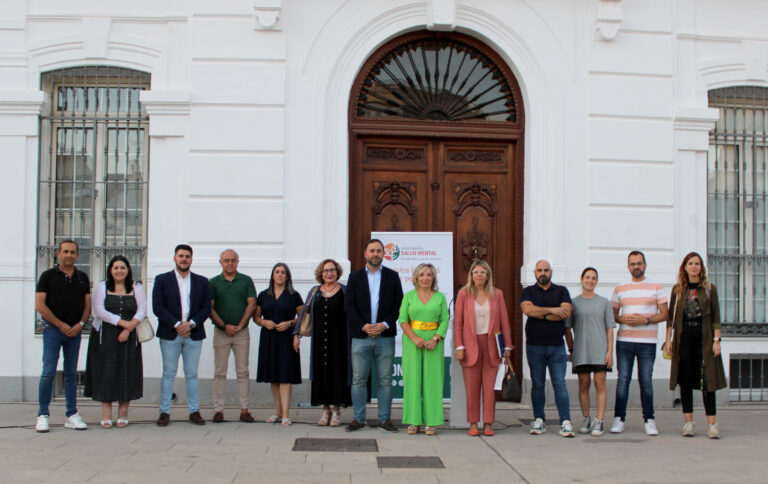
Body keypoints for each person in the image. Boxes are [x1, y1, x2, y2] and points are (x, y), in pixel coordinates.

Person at [344, 239, 404, 433]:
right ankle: (358, 418)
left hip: (385, 337)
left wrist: (384, 325)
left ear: (383, 254)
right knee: (359, 380)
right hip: (360, 337)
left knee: (385, 380)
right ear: (365, 254)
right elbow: (349, 306)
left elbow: (398, 305)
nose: (375, 254)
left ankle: (385, 420)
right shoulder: (354, 278)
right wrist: (364, 326)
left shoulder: (392, 277)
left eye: (379, 251)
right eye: (372, 251)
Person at [665, 252, 726, 439]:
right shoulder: (678, 289)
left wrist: (717, 341)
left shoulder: (709, 289)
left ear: (701, 267)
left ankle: (712, 425)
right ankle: (688, 423)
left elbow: (716, 317)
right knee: (685, 381)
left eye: (697, 263)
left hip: (705, 338)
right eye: (690, 263)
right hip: (684, 339)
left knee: (708, 381)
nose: (694, 266)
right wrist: (669, 341)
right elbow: (671, 318)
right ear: (684, 267)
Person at [609, 250, 669, 436]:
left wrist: (647, 320)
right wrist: (624, 319)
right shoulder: (620, 288)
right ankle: (619, 419)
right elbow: (612, 316)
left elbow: (665, 314)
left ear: (645, 265)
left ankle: (649, 420)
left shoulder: (656, 286)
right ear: (628, 267)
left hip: (647, 341)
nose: (636, 266)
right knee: (623, 380)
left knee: (646, 382)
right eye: (633, 264)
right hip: (624, 341)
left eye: (639, 263)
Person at [35, 240, 91, 432]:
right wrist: (60, 324)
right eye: (65, 251)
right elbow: (40, 305)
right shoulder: (47, 276)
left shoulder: (82, 277)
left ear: (77, 255)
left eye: (73, 252)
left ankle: (72, 414)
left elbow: (87, 306)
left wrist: (80, 325)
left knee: (71, 373)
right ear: (58, 253)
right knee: (48, 372)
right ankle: (42, 414)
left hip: (74, 333)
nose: (69, 255)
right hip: (52, 330)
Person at [84, 256, 147, 428]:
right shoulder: (102, 287)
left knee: (127, 370)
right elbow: (99, 310)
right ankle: (106, 413)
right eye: (116, 267)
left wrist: (128, 329)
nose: (119, 271)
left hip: (129, 335)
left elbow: (142, 310)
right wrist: (121, 322)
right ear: (110, 270)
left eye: (123, 267)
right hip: (106, 336)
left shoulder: (136, 287)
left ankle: (123, 412)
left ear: (128, 270)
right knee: (106, 372)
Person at [153, 244, 211, 426]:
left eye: (187, 256)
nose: (184, 259)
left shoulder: (202, 281)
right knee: (168, 373)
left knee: (192, 374)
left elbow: (206, 308)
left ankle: (194, 411)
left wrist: (191, 324)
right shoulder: (162, 279)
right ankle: (164, 412)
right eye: (181, 256)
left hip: (194, 334)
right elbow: (158, 307)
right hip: (170, 333)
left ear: (191, 259)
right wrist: (177, 324)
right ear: (175, 258)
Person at [454, 260, 514, 437]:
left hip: (492, 346)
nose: (479, 275)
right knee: (472, 388)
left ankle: (488, 423)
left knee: (489, 388)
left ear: (488, 275)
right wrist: (459, 345)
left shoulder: (497, 294)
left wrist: (508, 346)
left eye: (482, 272)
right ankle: (473, 423)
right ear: (471, 275)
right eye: (476, 272)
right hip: (470, 345)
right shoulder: (464, 294)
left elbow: (504, 321)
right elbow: (458, 323)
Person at [293, 259, 352, 427]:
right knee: (322, 374)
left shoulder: (344, 291)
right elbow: (304, 312)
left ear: (338, 272)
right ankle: (325, 410)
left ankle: (336, 410)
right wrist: (296, 334)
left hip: (339, 341)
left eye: (332, 270)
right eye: (326, 270)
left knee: (337, 374)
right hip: (319, 341)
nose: (329, 273)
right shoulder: (315, 291)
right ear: (321, 273)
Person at [520, 259, 574, 437]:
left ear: (551, 272)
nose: (543, 273)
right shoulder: (527, 291)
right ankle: (539, 420)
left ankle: (565, 421)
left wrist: (540, 313)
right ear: (534, 273)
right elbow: (528, 311)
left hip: (557, 346)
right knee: (538, 384)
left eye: (546, 270)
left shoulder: (562, 291)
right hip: (535, 345)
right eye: (539, 270)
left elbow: (565, 312)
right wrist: (552, 311)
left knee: (560, 384)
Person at [398, 263, 450, 436]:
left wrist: (435, 338)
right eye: (421, 275)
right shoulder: (409, 297)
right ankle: (413, 420)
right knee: (413, 380)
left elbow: (444, 319)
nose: (425, 278)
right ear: (416, 278)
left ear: (433, 278)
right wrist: (415, 338)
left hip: (434, 343)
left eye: (429, 275)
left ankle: (431, 422)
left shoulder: (440, 297)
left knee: (432, 381)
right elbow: (403, 319)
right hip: (413, 342)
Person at [564, 267, 615, 437]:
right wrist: (571, 347)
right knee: (583, 384)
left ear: (597, 281)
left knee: (600, 384)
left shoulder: (604, 302)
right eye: (587, 277)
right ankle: (586, 417)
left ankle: (599, 420)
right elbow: (567, 328)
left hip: (600, 350)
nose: (590, 280)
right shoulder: (574, 303)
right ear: (581, 279)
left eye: (594, 278)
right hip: (581, 350)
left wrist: (610, 352)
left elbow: (609, 328)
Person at [209, 249, 257, 423]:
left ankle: (244, 410)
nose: (230, 263)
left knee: (242, 371)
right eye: (226, 260)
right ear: (220, 262)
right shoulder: (213, 283)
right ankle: (218, 410)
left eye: (233, 260)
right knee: (220, 372)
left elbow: (252, 304)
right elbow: (210, 307)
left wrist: (240, 325)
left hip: (241, 333)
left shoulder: (246, 281)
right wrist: (224, 325)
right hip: (221, 332)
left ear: (238, 262)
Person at [254, 262, 303, 426]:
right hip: (268, 337)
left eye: (283, 272)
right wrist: (263, 322)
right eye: (277, 272)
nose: (280, 275)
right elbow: (256, 317)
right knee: (273, 376)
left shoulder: (294, 295)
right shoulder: (263, 295)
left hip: (286, 338)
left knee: (285, 375)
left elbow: (303, 317)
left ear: (287, 276)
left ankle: (286, 414)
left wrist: (289, 323)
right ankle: (277, 412)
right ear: (272, 275)